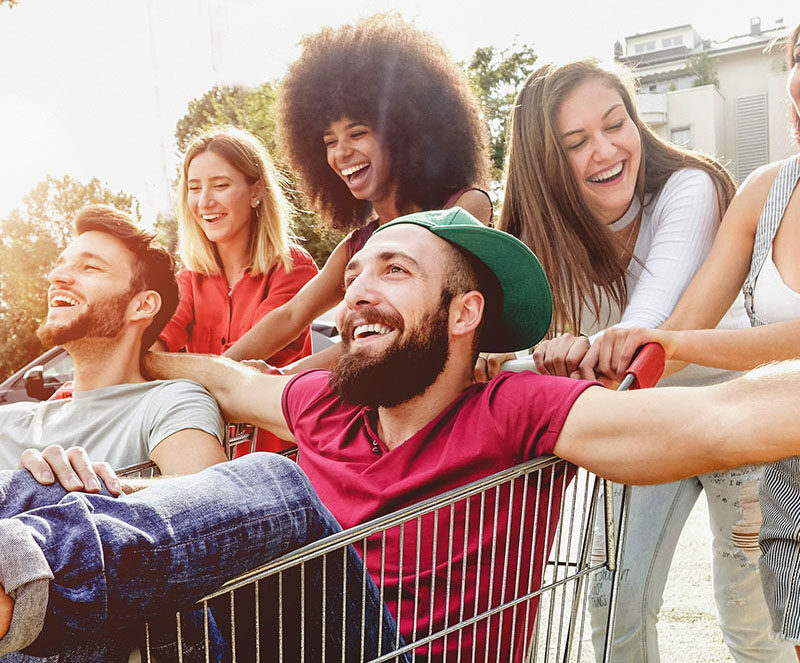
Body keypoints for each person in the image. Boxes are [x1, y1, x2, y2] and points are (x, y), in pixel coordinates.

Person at [13, 208, 800, 661]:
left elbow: (724, 419)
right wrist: (123, 340)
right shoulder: (326, 402)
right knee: (55, 487)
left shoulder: (518, 409)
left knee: (281, 490)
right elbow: (226, 380)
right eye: (354, 276)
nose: (355, 292)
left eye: (393, 271)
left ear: (463, 315)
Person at [485, 58, 791, 662]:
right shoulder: (542, 241)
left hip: (733, 405)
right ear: (546, 165)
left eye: (615, 124)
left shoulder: (689, 189)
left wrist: (575, 357)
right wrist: (528, 355)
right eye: (576, 142)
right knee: (611, 600)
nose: (604, 150)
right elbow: (501, 339)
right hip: (643, 415)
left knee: (752, 616)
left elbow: (646, 327)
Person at [579, 24, 800, 658]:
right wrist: (621, 355)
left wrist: (682, 347)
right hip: (788, 478)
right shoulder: (766, 191)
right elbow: (680, 326)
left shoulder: (696, 189)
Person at [223, 15, 492, 371]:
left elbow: (403, 328)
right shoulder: (357, 245)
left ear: (402, 131)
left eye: (357, 133)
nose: (341, 153)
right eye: (329, 141)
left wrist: (285, 374)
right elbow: (290, 316)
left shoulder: (464, 207)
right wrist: (217, 371)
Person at [0, 204, 225, 476]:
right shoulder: (9, 423)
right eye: (60, 266)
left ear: (142, 306)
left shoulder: (169, 404)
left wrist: (65, 494)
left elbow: (206, 503)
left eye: (90, 267)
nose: (55, 277)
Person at [151, 127, 318, 453]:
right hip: (213, 455)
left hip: (283, 457)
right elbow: (152, 349)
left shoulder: (292, 267)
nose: (204, 202)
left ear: (256, 191)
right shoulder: (188, 280)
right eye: (194, 188)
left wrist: (180, 373)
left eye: (221, 185)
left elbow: (253, 356)